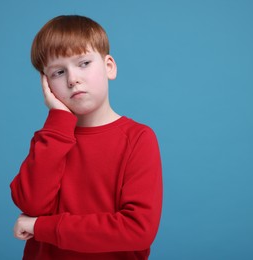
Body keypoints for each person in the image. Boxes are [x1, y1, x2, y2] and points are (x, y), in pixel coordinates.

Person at [10, 15, 163, 260]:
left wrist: (41, 227)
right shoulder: (50, 138)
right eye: (58, 72)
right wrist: (58, 119)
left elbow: (137, 229)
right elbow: (31, 204)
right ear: (46, 84)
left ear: (109, 67)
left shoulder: (138, 138)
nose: (73, 79)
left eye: (83, 63)